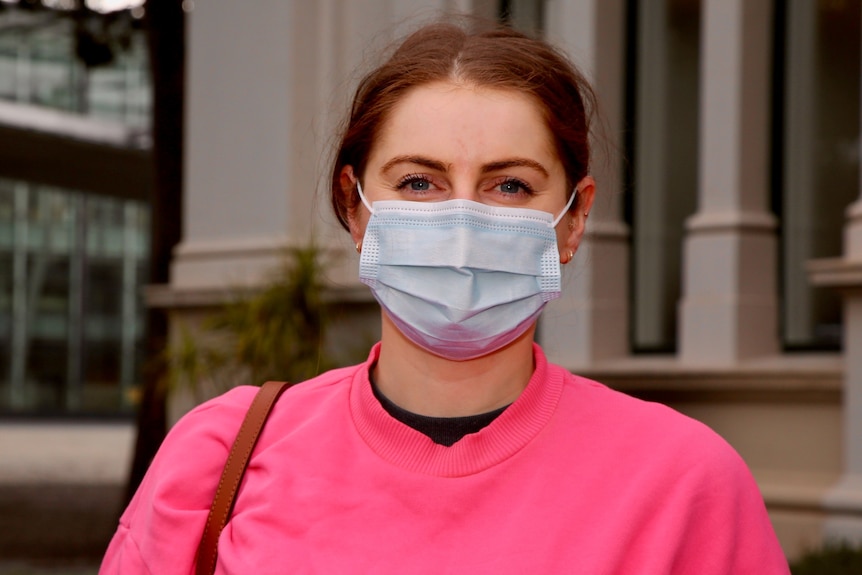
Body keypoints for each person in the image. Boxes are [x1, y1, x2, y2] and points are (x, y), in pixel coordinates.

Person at [100, 21, 790, 574]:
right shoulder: (220, 458)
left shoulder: (684, 485)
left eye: (509, 185)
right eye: (419, 183)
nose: (462, 222)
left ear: (574, 219)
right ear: (356, 205)